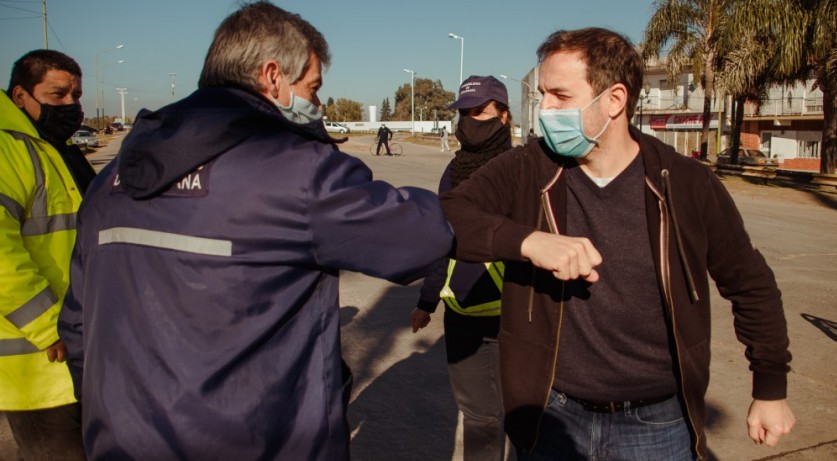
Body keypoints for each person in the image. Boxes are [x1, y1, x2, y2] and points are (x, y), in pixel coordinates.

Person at [57, 2, 452, 460]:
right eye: (314, 87)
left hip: (122, 440)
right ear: (272, 77)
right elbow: (422, 237)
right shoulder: (291, 169)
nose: (318, 104)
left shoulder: (110, 181)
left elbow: (79, 324)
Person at [441, 28, 794, 460]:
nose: (544, 108)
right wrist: (529, 241)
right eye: (543, 95)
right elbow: (447, 216)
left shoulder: (686, 184)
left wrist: (770, 388)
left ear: (614, 100)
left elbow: (750, 284)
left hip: (657, 424)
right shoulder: (528, 168)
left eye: (560, 96)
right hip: (551, 416)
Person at [411, 76, 512, 461]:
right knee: (480, 419)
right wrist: (427, 300)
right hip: (464, 314)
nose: (470, 121)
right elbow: (442, 241)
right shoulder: (452, 172)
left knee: (523, 418)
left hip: (517, 314)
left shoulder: (524, 169)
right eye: (464, 114)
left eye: (480, 111)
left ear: (504, 116)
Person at [1, 49, 94, 461]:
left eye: (76, 95)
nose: (70, 106)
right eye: (58, 95)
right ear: (21, 96)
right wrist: (48, 326)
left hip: (77, 347)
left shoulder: (57, 150)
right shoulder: (7, 151)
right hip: (38, 361)